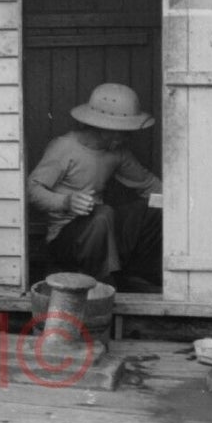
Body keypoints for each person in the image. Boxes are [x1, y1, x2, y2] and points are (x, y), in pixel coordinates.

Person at [27, 83, 163, 288]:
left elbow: (148, 183)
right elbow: (32, 190)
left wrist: (185, 202)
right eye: (122, 132)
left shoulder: (117, 152)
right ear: (103, 128)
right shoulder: (64, 147)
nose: (127, 137)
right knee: (103, 214)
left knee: (155, 209)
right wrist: (66, 202)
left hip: (103, 231)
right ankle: (104, 285)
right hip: (65, 239)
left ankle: (140, 277)